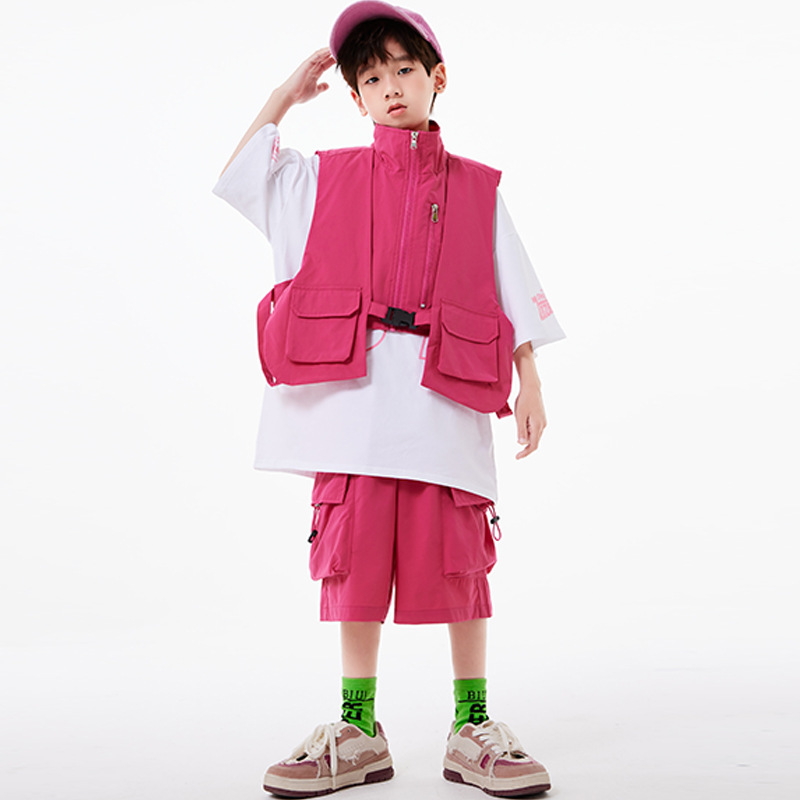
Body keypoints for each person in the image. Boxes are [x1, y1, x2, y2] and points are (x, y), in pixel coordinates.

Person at [212, 2, 565, 796]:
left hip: (444, 403)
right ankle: (357, 727)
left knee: (460, 561)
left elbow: (513, 284)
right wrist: (283, 94)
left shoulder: (478, 190)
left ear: (438, 78)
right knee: (355, 561)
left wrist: (532, 379)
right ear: (355, 98)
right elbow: (240, 177)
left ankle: (473, 724)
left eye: (405, 69)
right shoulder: (320, 177)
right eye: (372, 78)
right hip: (352, 409)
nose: (391, 87)